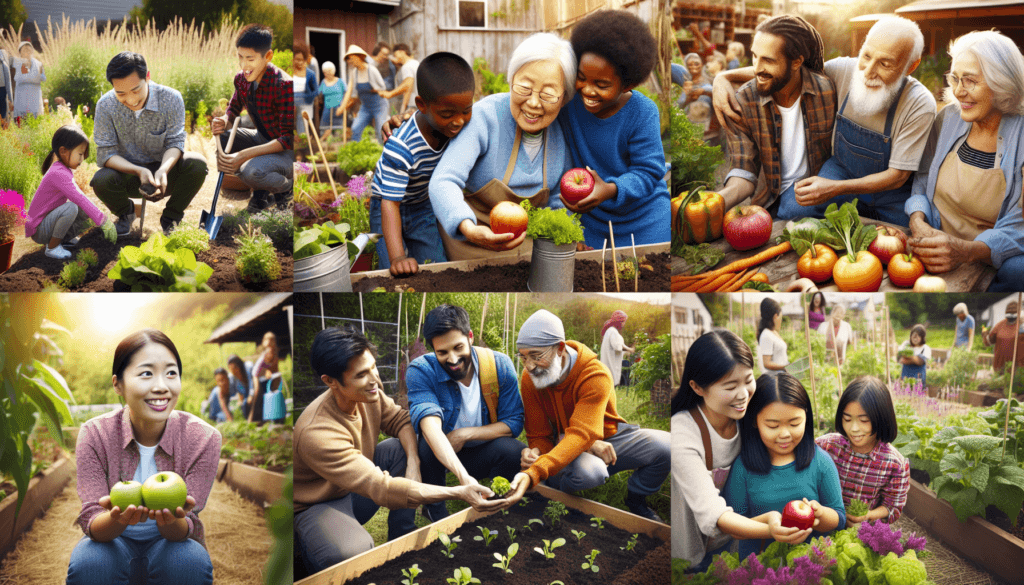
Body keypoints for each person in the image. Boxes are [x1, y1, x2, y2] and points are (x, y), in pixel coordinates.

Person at [292, 326, 501, 573]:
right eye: (361, 375)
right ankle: (303, 553)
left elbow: (401, 421)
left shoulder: (369, 394)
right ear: (330, 381)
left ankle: (402, 539)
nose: (374, 380)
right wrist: (458, 492)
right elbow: (382, 487)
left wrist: (413, 462)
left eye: (372, 367)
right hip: (317, 504)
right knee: (354, 553)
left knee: (398, 446)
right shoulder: (317, 433)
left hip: (351, 489)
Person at [715, 16, 935, 224]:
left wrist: (836, 189)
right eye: (866, 56)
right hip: (840, 171)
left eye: (885, 64)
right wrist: (724, 77)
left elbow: (897, 177)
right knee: (792, 210)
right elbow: (788, 69)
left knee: (911, 237)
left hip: (890, 192)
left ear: (911, 66)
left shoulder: (919, 104)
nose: (868, 72)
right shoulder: (843, 71)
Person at [66, 330, 220, 585]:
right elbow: (92, 522)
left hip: (170, 543)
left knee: (189, 563)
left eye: (171, 373)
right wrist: (117, 518)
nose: (161, 386)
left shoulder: (203, 438)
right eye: (146, 373)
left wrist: (172, 520)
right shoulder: (95, 434)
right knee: (90, 565)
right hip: (112, 540)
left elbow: (187, 526)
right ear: (118, 384)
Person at [502, 309, 670, 522]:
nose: (529, 366)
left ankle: (636, 499)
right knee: (591, 473)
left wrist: (534, 472)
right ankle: (559, 497)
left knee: (666, 446)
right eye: (523, 357)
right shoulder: (530, 377)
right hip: (564, 439)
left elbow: (582, 433)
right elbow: (539, 433)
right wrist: (536, 452)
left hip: (609, 437)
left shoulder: (595, 375)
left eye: (536, 356)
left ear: (560, 348)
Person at [671, 330, 811, 571]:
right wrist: (770, 529)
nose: (744, 394)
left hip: (732, 548)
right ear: (697, 387)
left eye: (748, 380)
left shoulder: (747, 419)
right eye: (730, 386)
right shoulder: (683, 433)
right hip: (686, 555)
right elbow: (713, 513)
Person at [427, 33, 573, 260]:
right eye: (524, 87)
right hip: (470, 242)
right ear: (511, 79)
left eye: (548, 94)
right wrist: (468, 228)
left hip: (527, 250)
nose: (533, 103)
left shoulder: (560, 133)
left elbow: (557, 198)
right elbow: (444, 180)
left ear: (564, 98)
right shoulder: (487, 116)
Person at [904, 32, 1024, 291]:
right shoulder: (947, 118)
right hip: (933, 236)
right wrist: (917, 219)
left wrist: (967, 251)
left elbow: (1020, 223)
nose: (958, 92)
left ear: (1002, 83)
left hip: (987, 253)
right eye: (955, 78)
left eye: (970, 81)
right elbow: (923, 177)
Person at [406, 304, 526, 522]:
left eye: (458, 347)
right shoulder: (422, 370)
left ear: (470, 337)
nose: (452, 360)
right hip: (440, 452)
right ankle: (436, 512)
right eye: (442, 352)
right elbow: (430, 426)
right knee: (426, 443)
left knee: (514, 451)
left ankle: (493, 502)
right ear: (433, 349)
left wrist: (466, 434)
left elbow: (514, 422)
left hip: (479, 449)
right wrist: (463, 478)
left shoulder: (498, 366)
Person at [561, 10, 671, 247]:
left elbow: (649, 171)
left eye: (602, 84)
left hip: (645, 217)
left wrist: (611, 189)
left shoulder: (643, 112)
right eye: (582, 78)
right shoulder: (569, 103)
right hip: (591, 218)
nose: (588, 91)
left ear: (628, 84)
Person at [714, 15, 836, 212]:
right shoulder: (743, 100)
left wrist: (723, 75)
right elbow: (743, 167)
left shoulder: (827, 89)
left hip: (816, 199)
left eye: (768, 60)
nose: (756, 68)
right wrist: (716, 203)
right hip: (767, 205)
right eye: (755, 56)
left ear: (797, 62)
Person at [369, 52, 474, 275]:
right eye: (447, 113)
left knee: (434, 265)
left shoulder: (458, 130)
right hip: (386, 207)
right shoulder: (402, 146)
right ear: (422, 105)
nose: (458, 121)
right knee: (391, 270)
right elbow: (390, 203)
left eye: (466, 110)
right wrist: (398, 256)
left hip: (422, 205)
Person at [722, 372, 845, 560]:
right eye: (772, 426)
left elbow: (839, 518)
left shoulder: (821, 462)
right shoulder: (743, 467)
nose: (785, 434)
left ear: (806, 417)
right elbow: (734, 528)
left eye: (795, 423)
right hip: (761, 567)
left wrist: (819, 515)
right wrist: (768, 526)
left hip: (810, 567)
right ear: (755, 421)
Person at [90, 52, 208, 237]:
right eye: (121, 93)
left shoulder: (171, 98)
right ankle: (125, 213)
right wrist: (139, 171)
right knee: (101, 180)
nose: (130, 100)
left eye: (136, 90)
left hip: (165, 175)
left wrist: (163, 170)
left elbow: (175, 142)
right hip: (128, 175)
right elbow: (106, 153)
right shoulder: (105, 105)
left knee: (197, 164)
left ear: (148, 77)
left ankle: (172, 218)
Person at [212, 24, 294, 213]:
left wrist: (243, 156)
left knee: (251, 171)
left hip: (287, 151)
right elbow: (232, 108)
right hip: (262, 138)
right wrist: (224, 121)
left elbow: (287, 139)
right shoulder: (241, 79)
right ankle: (261, 194)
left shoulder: (284, 85)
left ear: (268, 56)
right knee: (223, 140)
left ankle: (286, 189)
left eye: (250, 59)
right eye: (240, 57)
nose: (243, 65)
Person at [816, 376, 910, 530]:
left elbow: (892, 506)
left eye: (864, 420)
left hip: (859, 534)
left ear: (881, 419)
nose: (853, 428)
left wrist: (868, 516)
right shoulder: (826, 446)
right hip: (823, 526)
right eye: (847, 419)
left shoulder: (894, 464)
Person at [26, 126, 117, 259]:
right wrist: (103, 221)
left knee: (83, 209)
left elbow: (81, 199)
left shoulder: (62, 170)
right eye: (80, 154)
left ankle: (65, 239)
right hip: (39, 229)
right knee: (71, 207)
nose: (82, 159)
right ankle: (52, 247)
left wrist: (98, 216)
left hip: (46, 223)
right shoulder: (58, 173)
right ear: (63, 151)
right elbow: (79, 198)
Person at [338, 44, 389, 142]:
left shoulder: (372, 70)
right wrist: (343, 106)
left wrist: (373, 89)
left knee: (380, 130)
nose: (351, 62)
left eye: (352, 59)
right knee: (355, 128)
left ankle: (384, 152)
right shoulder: (354, 72)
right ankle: (356, 150)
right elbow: (350, 91)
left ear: (359, 57)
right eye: (350, 60)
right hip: (365, 107)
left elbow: (383, 88)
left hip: (380, 106)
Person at [249, 331, 281, 424]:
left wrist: (275, 377)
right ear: (264, 342)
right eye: (267, 340)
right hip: (256, 375)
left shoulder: (275, 353)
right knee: (257, 393)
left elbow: (275, 368)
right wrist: (266, 372)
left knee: (272, 392)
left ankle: (270, 417)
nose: (269, 342)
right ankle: (251, 420)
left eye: (272, 340)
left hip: (265, 377)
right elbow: (259, 369)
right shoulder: (266, 353)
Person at [983, 301, 1024, 373]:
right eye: (1009, 313)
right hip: (1000, 366)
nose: (1011, 316)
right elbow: (988, 341)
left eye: (1013, 313)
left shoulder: (1021, 326)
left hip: (1017, 368)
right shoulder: (1000, 325)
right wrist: (985, 334)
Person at [381, 44, 420, 114]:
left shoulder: (407, 67)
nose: (395, 58)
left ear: (402, 52)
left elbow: (407, 86)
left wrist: (390, 94)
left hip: (412, 105)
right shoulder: (415, 63)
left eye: (396, 55)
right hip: (418, 103)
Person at [599, 310, 634, 387]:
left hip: (607, 367)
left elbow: (618, 346)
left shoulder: (610, 331)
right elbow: (619, 347)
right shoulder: (613, 332)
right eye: (623, 322)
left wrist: (628, 350)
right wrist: (631, 350)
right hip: (610, 368)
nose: (624, 324)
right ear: (619, 322)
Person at [12, 41, 44, 119]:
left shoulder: (38, 64)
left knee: (36, 120)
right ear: (20, 52)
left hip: (35, 97)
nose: (28, 52)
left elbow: (42, 77)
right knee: (23, 120)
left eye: (29, 49)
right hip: (22, 97)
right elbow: (17, 79)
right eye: (25, 50)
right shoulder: (16, 64)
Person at [758, 298, 789, 376]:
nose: (781, 321)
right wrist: (785, 367)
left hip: (781, 375)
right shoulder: (766, 335)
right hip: (774, 378)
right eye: (780, 318)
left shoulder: (773, 332)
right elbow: (766, 363)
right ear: (775, 316)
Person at [293, 43, 318, 136]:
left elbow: (316, 90)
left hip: (305, 104)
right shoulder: (289, 71)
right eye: (297, 59)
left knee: (303, 129)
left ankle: (304, 147)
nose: (299, 62)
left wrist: (307, 97)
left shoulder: (310, 73)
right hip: (292, 104)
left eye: (302, 60)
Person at [317, 62, 345, 140]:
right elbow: (318, 93)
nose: (327, 73)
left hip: (338, 109)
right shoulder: (323, 82)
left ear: (333, 71)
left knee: (338, 132)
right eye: (325, 72)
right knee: (326, 128)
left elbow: (347, 93)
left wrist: (344, 106)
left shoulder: (340, 82)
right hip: (327, 108)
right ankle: (325, 144)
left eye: (329, 71)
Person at [226, 354, 253, 421]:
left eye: (235, 368)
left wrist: (251, 395)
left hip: (258, 392)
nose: (234, 371)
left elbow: (253, 383)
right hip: (247, 400)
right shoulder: (234, 379)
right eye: (231, 369)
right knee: (243, 404)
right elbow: (241, 394)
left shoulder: (248, 367)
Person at [0, 42, 14, 122]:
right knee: (3, 114)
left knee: (3, 114)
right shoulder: (3, 63)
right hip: (2, 89)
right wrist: (11, 99)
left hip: (2, 88)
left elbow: (8, 81)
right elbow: (8, 82)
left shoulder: (3, 60)